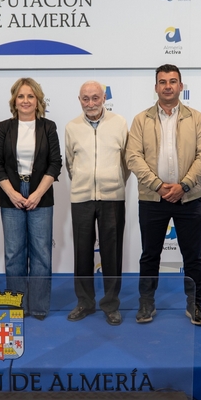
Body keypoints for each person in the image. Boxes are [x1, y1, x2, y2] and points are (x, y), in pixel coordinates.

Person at [126, 64, 201, 326]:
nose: (167, 86)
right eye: (162, 82)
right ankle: (146, 303)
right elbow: (133, 157)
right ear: (156, 87)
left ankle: (195, 305)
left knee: (193, 257)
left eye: (172, 81)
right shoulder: (141, 120)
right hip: (153, 198)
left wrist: (183, 186)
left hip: (189, 198)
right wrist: (158, 185)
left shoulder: (196, 118)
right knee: (149, 255)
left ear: (180, 86)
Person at [0, 78, 62, 320]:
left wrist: (37, 194)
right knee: (14, 254)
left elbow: (55, 164)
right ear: (14, 100)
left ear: (38, 100)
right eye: (21, 96)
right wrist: (12, 193)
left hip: (40, 192)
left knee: (41, 253)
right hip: (10, 192)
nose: (25, 101)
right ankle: (17, 306)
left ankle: (39, 307)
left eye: (30, 96)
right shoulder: (5, 127)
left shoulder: (48, 127)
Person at [64, 81, 130, 326]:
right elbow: (70, 162)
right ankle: (85, 302)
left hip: (112, 197)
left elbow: (126, 162)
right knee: (82, 253)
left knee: (112, 253)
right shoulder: (71, 127)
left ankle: (111, 305)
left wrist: (113, 181)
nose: (90, 103)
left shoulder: (120, 123)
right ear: (79, 100)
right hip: (81, 198)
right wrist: (83, 182)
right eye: (85, 98)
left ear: (103, 98)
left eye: (95, 98)